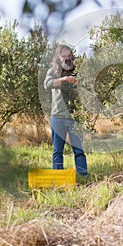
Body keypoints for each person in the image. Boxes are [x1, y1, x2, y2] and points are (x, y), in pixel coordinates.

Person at [44, 44, 88, 176]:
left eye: (69, 56)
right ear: (58, 57)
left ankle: (83, 175)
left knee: (78, 150)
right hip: (57, 116)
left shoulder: (77, 70)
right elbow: (47, 84)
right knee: (58, 151)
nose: (67, 59)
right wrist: (64, 80)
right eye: (64, 56)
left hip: (74, 116)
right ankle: (58, 177)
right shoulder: (53, 71)